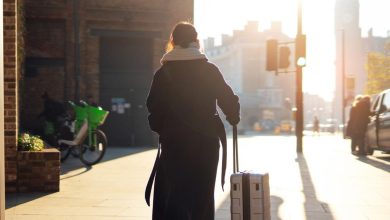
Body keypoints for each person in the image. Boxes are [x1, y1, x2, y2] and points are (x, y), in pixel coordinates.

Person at [145, 22, 240, 220]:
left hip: (174, 141)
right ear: (196, 41)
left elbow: (153, 108)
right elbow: (228, 99)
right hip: (206, 142)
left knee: (175, 193)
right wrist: (233, 116)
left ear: (173, 42)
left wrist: (164, 127)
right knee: (202, 195)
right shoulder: (208, 70)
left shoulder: (164, 73)